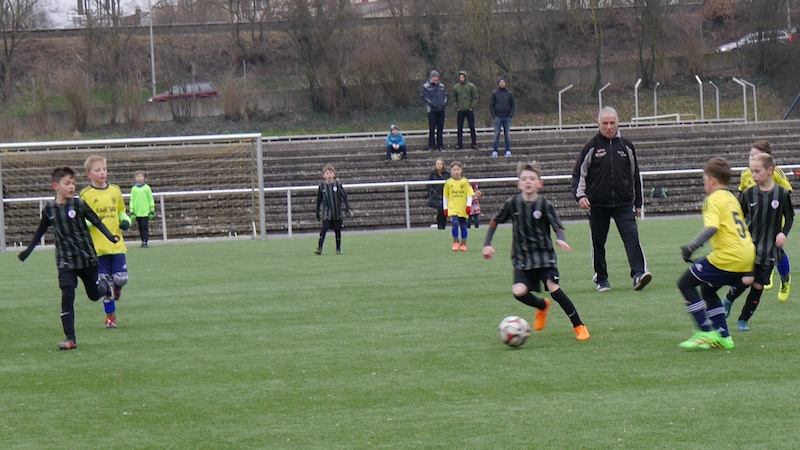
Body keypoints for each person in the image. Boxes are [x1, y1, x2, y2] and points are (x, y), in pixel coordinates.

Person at [482, 161, 590, 341]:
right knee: (518, 292)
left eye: (532, 179)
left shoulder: (544, 205)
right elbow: (495, 221)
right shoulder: (513, 203)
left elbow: (558, 226)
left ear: (540, 184)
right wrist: (487, 244)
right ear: (519, 184)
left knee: (554, 289)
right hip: (522, 257)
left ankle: (579, 326)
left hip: (544, 256)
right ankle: (542, 306)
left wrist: (561, 239)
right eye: (524, 179)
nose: (528, 181)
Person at [17, 167, 119, 350]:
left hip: (86, 258)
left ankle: (105, 285)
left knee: (93, 295)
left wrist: (110, 237)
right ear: (55, 186)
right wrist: (27, 251)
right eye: (67, 183)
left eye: (73, 183)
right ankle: (70, 339)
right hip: (65, 261)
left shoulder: (79, 204)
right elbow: (40, 231)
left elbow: (96, 221)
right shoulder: (49, 209)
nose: (72, 186)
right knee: (67, 296)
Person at [571, 106, 652, 292]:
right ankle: (602, 279)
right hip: (597, 204)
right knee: (598, 243)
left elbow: (635, 176)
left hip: (624, 203)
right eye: (605, 123)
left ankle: (639, 274)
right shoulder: (591, 147)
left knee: (632, 237)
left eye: (612, 123)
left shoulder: (627, 146)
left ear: (618, 124)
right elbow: (578, 175)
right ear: (599, 124)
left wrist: (638, 203)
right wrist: (580, 196)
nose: (609, 127)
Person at [678, 157, 755, 350]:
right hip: (747, 255)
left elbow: (711, 227)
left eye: (705, 179)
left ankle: (705, 332)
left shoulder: (713, 199)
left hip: (729, 256)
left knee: (685, 283)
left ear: (712, 180)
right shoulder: (731, 198)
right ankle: (723, 336)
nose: (704, 183)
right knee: (708, 289)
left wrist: (691, 247)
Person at [722, 153, 793, 331]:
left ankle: (743, 320)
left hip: (770, 249)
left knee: (758, 285)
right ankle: (729, 299)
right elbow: (739, 217)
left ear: (770, 171)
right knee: (746, 279)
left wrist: (783, 233)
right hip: (749, 246)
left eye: (757, 171)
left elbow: (789, 217)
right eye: (752, 171)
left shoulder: (781, 194)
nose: (753, 175)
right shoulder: (748, 194)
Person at [80, 155, 132, 329]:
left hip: (116, 245)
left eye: (104, 169)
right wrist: (89, 223)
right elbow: (81, 218)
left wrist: (125, 221)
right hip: (97, 248)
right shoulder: (85, 195)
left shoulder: (115, 191)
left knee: (121, 279)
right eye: (98, 170)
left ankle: (118, 288)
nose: (102, 172)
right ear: (89, 174)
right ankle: (110, 317)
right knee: (105, 285)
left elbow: (121, 212)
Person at [737, 140, 793, 299]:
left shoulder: (776, 173)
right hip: (755, 221)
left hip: (773, 221)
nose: (752, 158)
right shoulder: (746, 174)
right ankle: (766, 272)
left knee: (776, 250)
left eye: (756, 155)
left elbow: (786, 192)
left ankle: (785, 279)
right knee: (755, 249)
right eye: (750, 155)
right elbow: (742, 195)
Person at [315, 164, 351, 255]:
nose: (329, 175)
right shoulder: (322, 186)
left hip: (337, 213)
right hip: (327, 213)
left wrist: (347, 208)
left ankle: (338, 249)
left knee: (337, 231)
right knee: (324, 229)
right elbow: (319, 199)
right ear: (323, 176)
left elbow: (344, 196)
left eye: (330, 173)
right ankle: (319, 248)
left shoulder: (338, 185)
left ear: (334, 175)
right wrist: (317, 211)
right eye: (327, 173)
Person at [443, 161, 474, 251]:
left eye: (458, 169)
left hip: (462, 207)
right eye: (454, 170)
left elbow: (469, 194)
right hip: (453, 207)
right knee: (455, 223)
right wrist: (445, 208)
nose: (456, 171)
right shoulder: (448, 182)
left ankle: (463, 243)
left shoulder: (465, 182)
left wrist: (468, 205)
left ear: (461, 170)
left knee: (463, 225)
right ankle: (455, 242)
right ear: (451, 171)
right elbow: (445, 196)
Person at [420, 70, 447, 151]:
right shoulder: (426, 86)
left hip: (441, 110)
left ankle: (440, 145)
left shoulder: (441, 86)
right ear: (431, 78)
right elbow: (423, 97)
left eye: (437, 77)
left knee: (440, 128)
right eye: (434, 77)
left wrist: (443, 104)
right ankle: (431, 145)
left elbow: (445, 96)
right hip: (432, 110)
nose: (436, 78)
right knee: (432, 128)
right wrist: (431, 103)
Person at [452, 71, 478, 150]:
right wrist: (457, 107)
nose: (461, 79)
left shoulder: (471, 86)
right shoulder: (456, 87)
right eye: (460, 77)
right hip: (460, 110)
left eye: (463, 77)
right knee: (459, 128)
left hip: (469, 110)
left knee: (472, 127)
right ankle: (459, 144)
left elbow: (475, 97)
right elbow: (454, 99)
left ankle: (474, 143)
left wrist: (472, 106)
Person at [129, 170, 156, 248]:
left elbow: (150, 199)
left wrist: (152, 209)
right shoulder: (134, 189)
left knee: (145, 227)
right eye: (137, 177)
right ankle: (142, 241)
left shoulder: (147, 188)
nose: (138, 178)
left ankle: (145, 241)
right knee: (140, 227)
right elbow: (132, 200)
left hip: (145, 212)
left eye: (140, 176)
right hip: (137, 212)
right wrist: (132, 210)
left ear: (144, 178)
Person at [489, 77, 514, 158]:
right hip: (498, 117)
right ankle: (495, 150)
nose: (502, 84)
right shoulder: (494, 93)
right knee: (497, 134)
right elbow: (491, 105)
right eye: (500, 82)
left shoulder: (509, 93)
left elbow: (512, 105)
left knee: (507, 134)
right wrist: (494, 115)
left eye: (503, 82)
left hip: (507, 117)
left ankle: (508, 150)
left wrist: (510, 115)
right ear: (498, 84)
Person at [427, 158, 450, 230]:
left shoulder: (447, 174)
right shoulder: (432, 174)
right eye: (438, 164)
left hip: (444, 194)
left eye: (440, 164)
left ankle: (443, 225)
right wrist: (433, 191)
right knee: (440, 210)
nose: (439, 165)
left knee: (443, 210)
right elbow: (428, 183)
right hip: (436, 195)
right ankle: (440, 225)